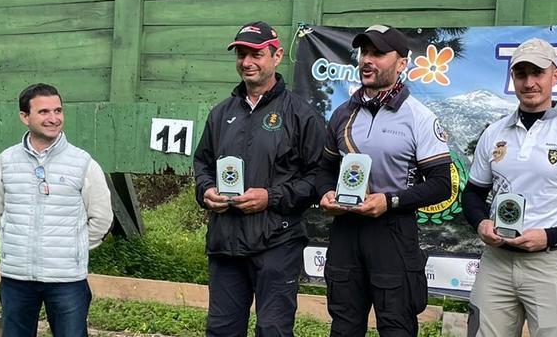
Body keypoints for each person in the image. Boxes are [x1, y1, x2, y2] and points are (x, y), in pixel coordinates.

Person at [461, 38, 557, 337]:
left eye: (538, 73)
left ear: (555, 76)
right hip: (496, 262)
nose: (529, 82)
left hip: (550, 263)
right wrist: (481, 223)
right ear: (513, 78)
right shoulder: (494, 132)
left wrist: (549, 236)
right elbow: (473, 193)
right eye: (521, 74)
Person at [316, 24, 452, 337]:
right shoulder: (342, 115)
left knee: (396, 328)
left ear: (402, 63)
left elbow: (442, 184)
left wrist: (389, 201)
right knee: (344, 327)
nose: (367, 59)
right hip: (346, 232)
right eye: (364, 52)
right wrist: (325, 193)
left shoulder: (419, 117)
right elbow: (323, 170)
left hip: (392, 233)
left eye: (378, 53)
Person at [193, 21, 325, 337]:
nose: (247, 62)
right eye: (241, 54)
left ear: (277, 56)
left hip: (277, 241)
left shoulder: (300, 114)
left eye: (256, 54)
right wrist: (206, 190)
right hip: (226, 242)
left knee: (273, 330)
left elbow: (318, 177)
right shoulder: (221, 112)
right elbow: (202, 163)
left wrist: (271, 197)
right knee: (222, 330)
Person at [0, 83, 113, 337]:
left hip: (67, 281)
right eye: (44, 112)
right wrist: (20, 244)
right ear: (24, 117)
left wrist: (72, 247)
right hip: (16, 278)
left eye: (58, 111)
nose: (53, 119)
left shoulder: (83, 163)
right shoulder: (5, 162)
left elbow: (101, 217)